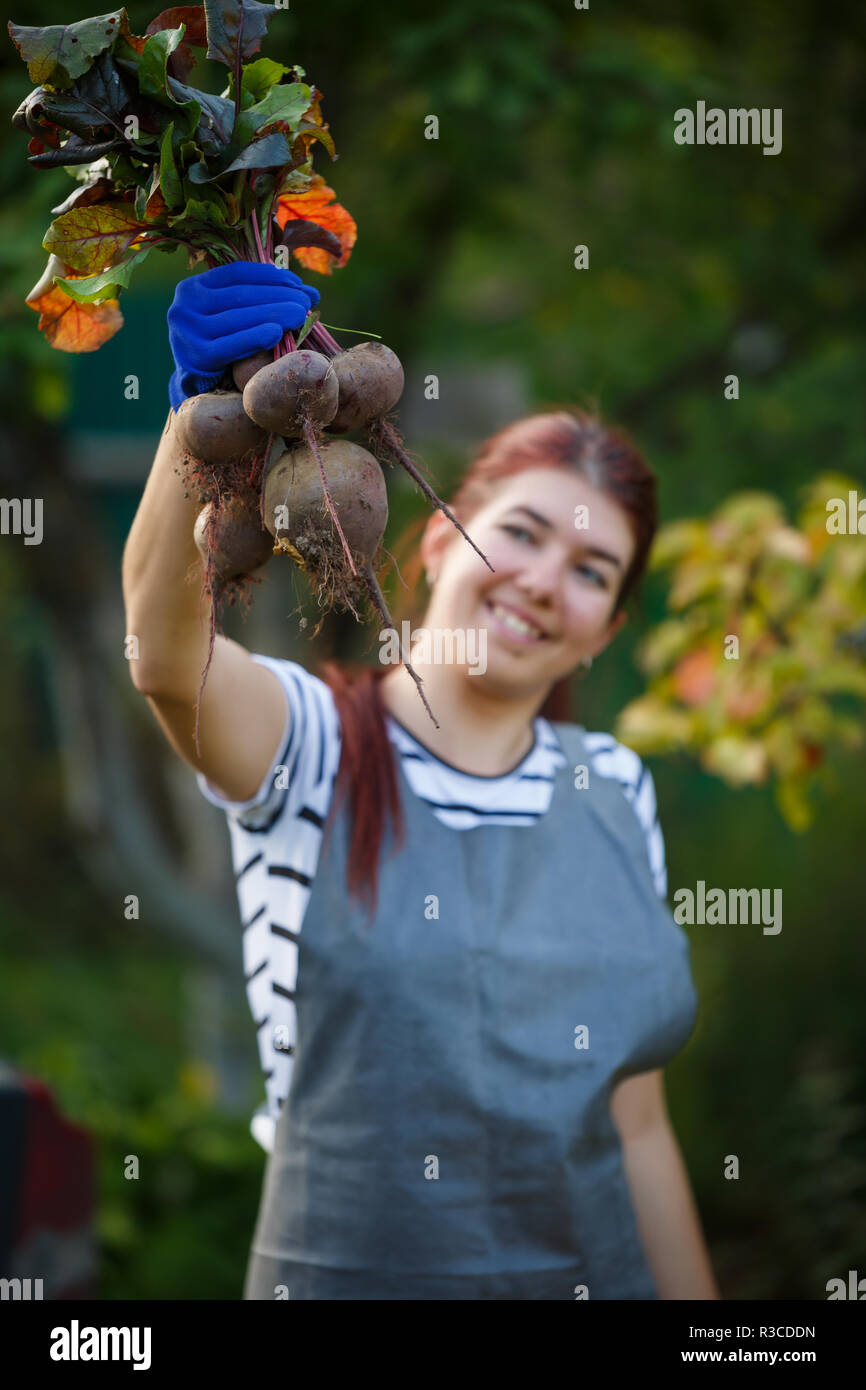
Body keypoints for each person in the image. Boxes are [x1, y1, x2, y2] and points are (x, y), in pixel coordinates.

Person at [122, 262, 720, 1301]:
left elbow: (635, 1124)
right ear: (439, 535)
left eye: (590, 571)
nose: (543, 580)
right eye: (523, 534)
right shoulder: (308, 740)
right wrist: (199, 427)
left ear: (607, 630)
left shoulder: (614, 784)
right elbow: (167, 661)